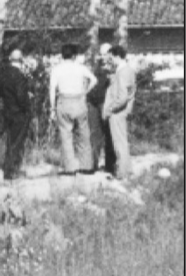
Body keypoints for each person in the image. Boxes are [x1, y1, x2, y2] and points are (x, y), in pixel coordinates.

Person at [47, 43, 97, 175]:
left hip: (64, 100)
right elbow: (94, 80)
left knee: (66, 135)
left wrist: (52, 108)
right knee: (83, 134)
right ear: (74, 55)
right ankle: (86, 166)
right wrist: (85, 92)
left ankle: (70, 168)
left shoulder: (57, 69)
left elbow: (52, 89)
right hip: (79, 100)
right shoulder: (80, 67)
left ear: (62, 55)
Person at [0, 47, 32, 181]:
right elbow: (21, 96)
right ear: (21, 60)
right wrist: (27, 106)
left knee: (10, 141)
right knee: (17, 143)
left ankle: (8, 168)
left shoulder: (3, 74)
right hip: (19, 113)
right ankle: (10, 172)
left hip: (7, 111)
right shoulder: (20, 76)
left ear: (10, 59)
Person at [102, 44, 137, 180]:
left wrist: (111, 108)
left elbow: (122, 96)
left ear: (117, 56)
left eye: (111, 58)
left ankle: (122, 173)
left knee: (119, 143)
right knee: (123, 141)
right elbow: (130, 92)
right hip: (124, 110)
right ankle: (126, 170)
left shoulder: (121, 72)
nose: (110, 60)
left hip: (117, 112)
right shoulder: (130, 70)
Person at [88, 43, 114, 173]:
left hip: (105, 103)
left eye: (105, 54)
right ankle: (93, 164)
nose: (103, 57)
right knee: (94, 134)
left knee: (109, 133)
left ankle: (110, 165)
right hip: (93, 103)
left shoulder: (114, 69)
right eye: (101, 54)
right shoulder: (96, 68)